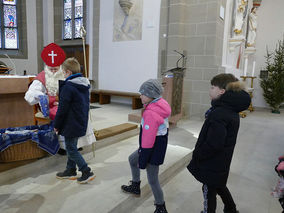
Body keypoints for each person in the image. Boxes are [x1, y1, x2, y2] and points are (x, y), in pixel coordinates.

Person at [187, 73, 251, 213]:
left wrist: (198, 153)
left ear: (222, 91)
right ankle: (231, 208)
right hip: (221, 160)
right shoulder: (230, 110)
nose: (209, 90)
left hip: (212, 161)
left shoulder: (219, 113)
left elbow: (214, 143)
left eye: (212, 87)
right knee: (219, 184)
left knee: (208, 190)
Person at [121, 79, 171, 213]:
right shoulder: (160, 104)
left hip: (152, 149)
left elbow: (148, 141)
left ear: (151, 95)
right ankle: (136, 185)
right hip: (158, 146)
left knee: (153, 179)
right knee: (132, 159)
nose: (140, 96)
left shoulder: (151, 113)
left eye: (143, 93)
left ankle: (161, 207)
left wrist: (143, 160)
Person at [54, 57, 95, 184]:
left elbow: (62, 109)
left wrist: (57, 124)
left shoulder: (69, 87)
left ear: (68, 73)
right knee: (72, 146)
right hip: (79, 121)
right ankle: (70, 169)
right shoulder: (84, 84)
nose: (63, 74)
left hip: (70, 122)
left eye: (63, 72)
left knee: (70, 148)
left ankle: (86, 170)